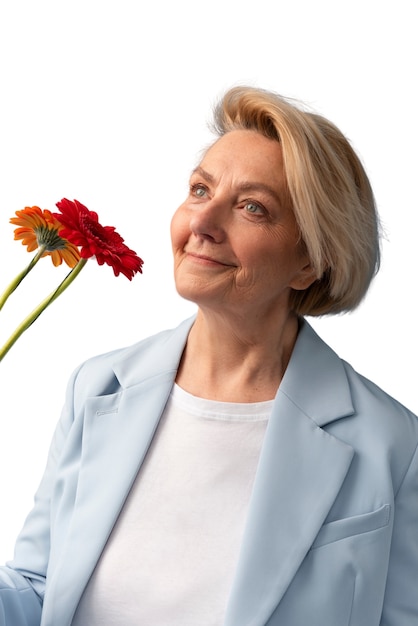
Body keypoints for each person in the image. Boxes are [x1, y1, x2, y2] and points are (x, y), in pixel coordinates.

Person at [1, 86, 417, 626]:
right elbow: (36, 588)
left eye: (252, 207)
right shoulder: (98, 387)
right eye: (200, 189)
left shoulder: (392, 445)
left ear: (310, 262)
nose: (203, 222)